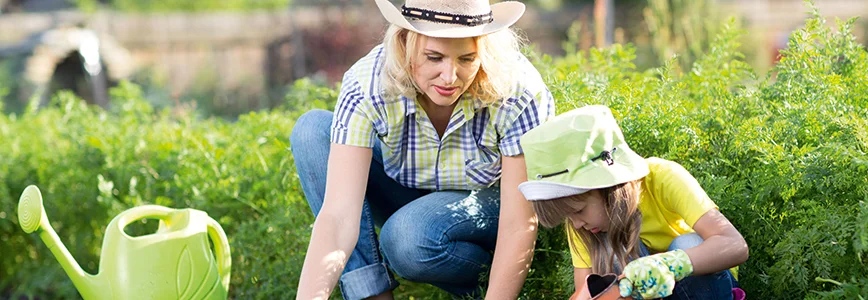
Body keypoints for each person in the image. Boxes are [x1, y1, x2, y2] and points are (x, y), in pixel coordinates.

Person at [289, 0, 554, 299]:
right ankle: (372, 295)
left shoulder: (515, 90)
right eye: (434, 57)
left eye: (467, 59)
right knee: (313, 130)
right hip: (406, 193)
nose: (449, 77)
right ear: (405, 43)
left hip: (491, 205)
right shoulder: (367, 85)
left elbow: (519, 222)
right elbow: (338, 218)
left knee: (407, 237)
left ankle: (491, 283)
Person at [517, 105, 748, 299]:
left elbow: (735, 245)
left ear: (607, 187)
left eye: (579, 211)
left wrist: (671, 264)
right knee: (608, 249)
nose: (576, 224)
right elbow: (584, 291)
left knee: (688, 244)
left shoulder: (662, 178)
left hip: (702, 291)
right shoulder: (584, 224)